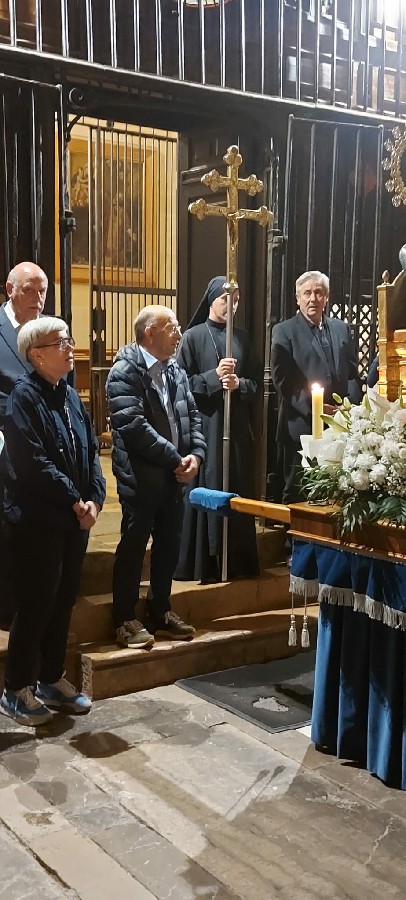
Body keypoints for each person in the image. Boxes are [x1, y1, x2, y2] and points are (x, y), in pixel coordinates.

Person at [0, 316, 106, 727]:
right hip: (37, 521)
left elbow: (91, 450)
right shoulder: (22, 399)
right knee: (36, 604)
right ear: (37, 354)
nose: (69, 347)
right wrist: (75, 501)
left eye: (68, 339)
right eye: (60, 342)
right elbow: (32, 463)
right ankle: (15, 690)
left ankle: (49, 678)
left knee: (63, 601)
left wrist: (95, 497)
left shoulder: (70, 395)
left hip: (73, 520)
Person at [106, 305, 206, 649]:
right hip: (141, 477)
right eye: (172, 327)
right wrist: (176, 459)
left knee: (168, 545)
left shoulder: (174, 369)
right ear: (150, 333)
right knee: (133, 548)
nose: (179, 334)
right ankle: (123, 618)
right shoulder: (124, 371)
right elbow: (134, 426)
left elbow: (192, 415)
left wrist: (196, 455)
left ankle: (160, 610)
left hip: (173, 477)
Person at [174, 276, 263, 582]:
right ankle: (204, 563)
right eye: (226, 299)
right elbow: (180, 384)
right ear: (212, 300)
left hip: (235, 428)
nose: (231, 305)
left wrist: (239, 384)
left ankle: (237, 562)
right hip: (206, 426)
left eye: (236, 300)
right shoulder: (193, 337)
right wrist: (213, 377)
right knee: (208, 484)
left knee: (235, 483)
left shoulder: (243, 339)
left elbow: (258, 385)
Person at [271, 270, 363, 504]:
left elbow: (353, 374)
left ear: (326, 297)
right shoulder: (284, 331)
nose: (313, 298)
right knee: (298, 493)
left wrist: (349, 406)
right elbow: (282, 380)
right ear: (298, 298)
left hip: (339, 425)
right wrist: (316, 409)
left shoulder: (342, 329)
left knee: (335, 494)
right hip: (301, 425)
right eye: (307, 293)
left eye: (318, 293)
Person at [0, 261, 49, 623]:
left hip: (41, 443)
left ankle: (32, 602)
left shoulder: (49, 330)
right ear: (10, 289)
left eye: (42, 291)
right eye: (30, 290)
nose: (38, 298)